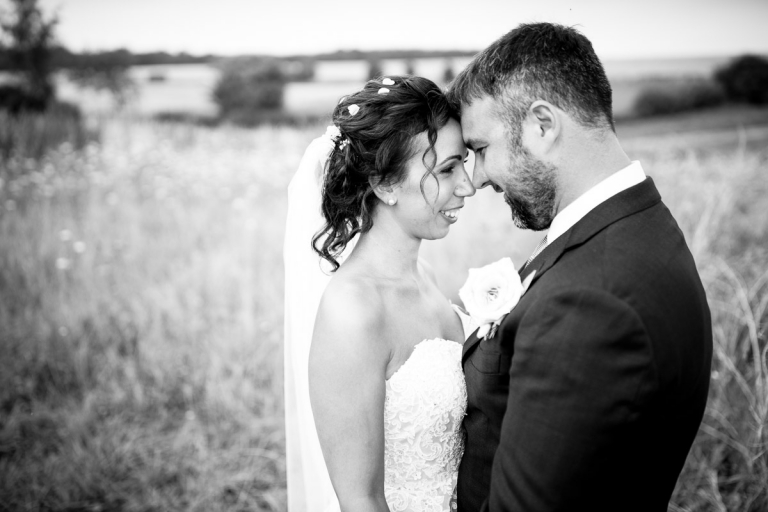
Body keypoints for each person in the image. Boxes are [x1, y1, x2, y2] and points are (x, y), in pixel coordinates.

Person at [446, 23, 713, 512]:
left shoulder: (589, 305)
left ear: (542, 125)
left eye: (481, 149)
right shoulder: (639, 225)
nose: (476, 177)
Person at [283, 75, 476, 512]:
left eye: (463, 163)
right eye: (446, 170)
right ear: (385, 185)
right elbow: (361, 500)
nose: (467, 185)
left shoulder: (423, 273)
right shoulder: (353, 311)